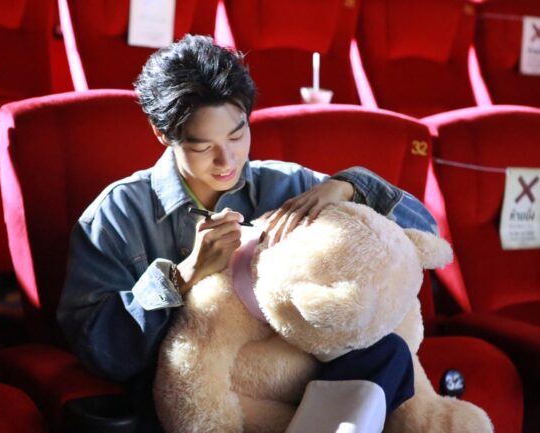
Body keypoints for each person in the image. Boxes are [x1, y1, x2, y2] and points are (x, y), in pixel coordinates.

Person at [57, 35, 438, 432]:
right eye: (203, 147)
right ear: (162, 134)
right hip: (197, 394)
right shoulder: (118, 213)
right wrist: (183, 276)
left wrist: (349, 187)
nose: (227, 160)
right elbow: (104, 354)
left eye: (237, 136)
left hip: (295, 382)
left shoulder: (289, 186)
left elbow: (425, 231)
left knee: (390, 353)